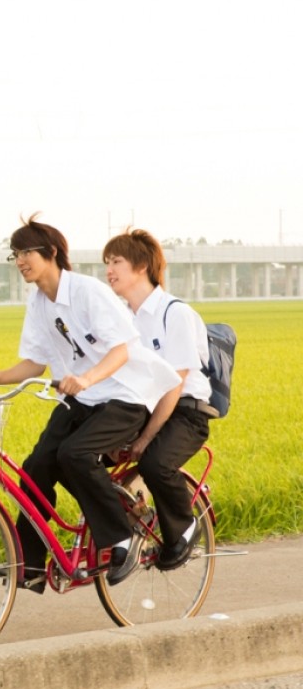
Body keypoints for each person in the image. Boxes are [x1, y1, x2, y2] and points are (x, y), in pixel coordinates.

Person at [0, 214, 179, 590]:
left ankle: (121, 538)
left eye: (27, 252)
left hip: (124, 395)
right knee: (35, 466)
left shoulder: (88, 292)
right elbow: (35, 361)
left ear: (51, 252)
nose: (20, 260)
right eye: (15, 254)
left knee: (74, 454)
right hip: (83, 398)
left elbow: (122, 351)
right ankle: (32, 564)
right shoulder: (39, 302)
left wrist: (85, 378)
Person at [103, 228, 214, 571]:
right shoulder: (124, 319)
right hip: (144, 408)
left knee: (154, 462)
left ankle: (184, 526)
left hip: (184, 411)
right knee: (79, 455)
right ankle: (127, 525)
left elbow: (174, 385)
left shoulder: (174, 314)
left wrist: (146, 438)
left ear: (141, 266)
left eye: (116, 261)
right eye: (106, 262)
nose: (109, 269)